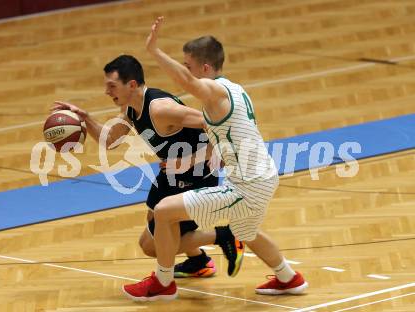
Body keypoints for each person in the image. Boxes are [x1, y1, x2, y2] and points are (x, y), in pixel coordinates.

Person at [122, 17, 308, 301]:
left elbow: (185, 83)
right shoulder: (235, 88)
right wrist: (204, 156)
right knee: (246, 230)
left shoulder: (214, 91)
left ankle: (162, 283)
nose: (187, 72)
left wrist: (155, 52)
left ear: (204, 68)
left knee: (163, 211)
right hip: (263, 177)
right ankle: (289, 278)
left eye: (189, 66)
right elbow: (227, 132)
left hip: (246, 187)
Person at [52, 55, 244, 279]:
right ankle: (199, 261)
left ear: (131, 84)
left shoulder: (161, 109)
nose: (107, 92)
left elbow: (215, 123)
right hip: (172, 172)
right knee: (153, 218)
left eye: (112, 86)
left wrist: (192, 160)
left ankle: (224, 235)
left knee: (150, 246)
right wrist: (85, 119)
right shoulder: (132, 109)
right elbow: (110, 140)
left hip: (197, 175)